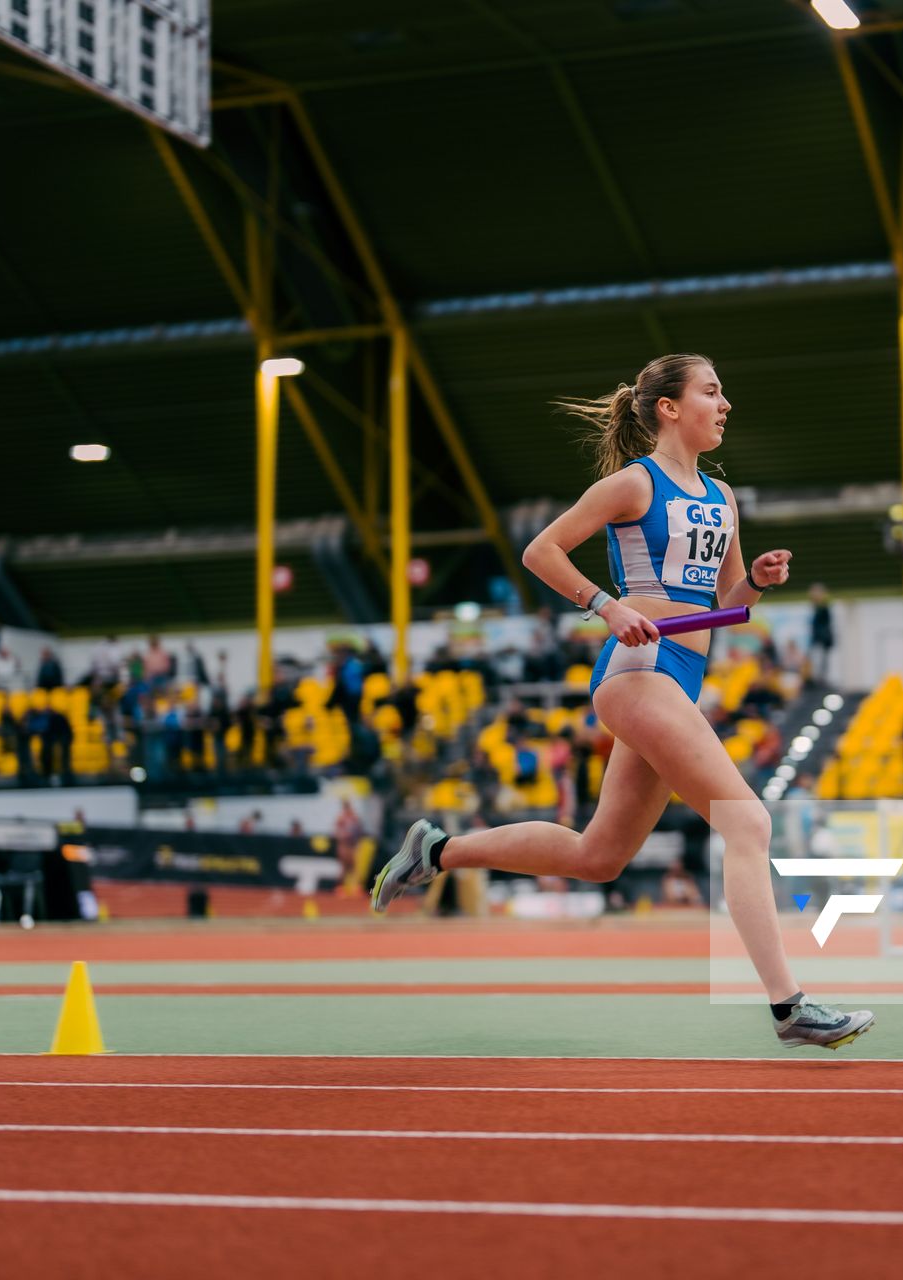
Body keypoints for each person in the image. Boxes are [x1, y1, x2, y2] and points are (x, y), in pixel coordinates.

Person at [368, 353, 872, 1049]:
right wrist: (604, 606)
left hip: (681, 679)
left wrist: (755, 581)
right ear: (670, 407)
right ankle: (790, 1007)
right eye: (712, 391)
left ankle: (438, 849)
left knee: (599, 856)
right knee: (748, 824)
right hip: (638, 672)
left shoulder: (723, 498)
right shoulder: (635, 484)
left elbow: (725, 607)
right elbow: (542, 551)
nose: (726, 404)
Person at [806, 584, 834, 686]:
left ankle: (821, 680)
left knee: (821, 660)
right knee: (819, 661)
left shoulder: (823, 607)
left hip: (822, 639)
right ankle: (819, 679)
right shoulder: (819, 608)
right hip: (820, 639)